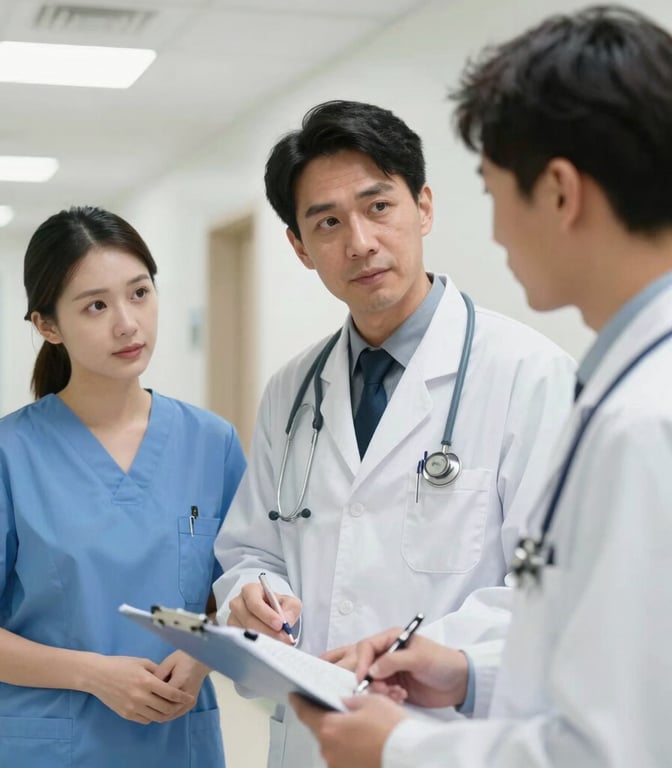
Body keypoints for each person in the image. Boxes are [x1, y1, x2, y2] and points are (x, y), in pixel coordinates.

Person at [290, 6, 672, 766]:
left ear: (560, 193)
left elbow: (615, 749)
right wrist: (467, 674)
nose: (494, 231)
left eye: (494, 192)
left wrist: (398, 748)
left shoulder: (643, 420)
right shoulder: (628, 391)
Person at [213, 99, 575, 767]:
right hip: (310, 739)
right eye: (327, 222)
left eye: (378, 207)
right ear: (299, 246)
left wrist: (428, 655)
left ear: (424, 208)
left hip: (441, 738)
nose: (360, 242)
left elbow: (552, 589)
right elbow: (250, 551)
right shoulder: (291, 391)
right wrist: (247, 598)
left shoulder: (530, 375)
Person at [0, 206, 246, 768]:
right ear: (48, 325)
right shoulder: (3, 455)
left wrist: (200, 658)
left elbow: (234, 596)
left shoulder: (211, 443)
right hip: (49, 745)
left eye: (139, 293)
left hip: (177, 742)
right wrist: (95, 675)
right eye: (96, 305)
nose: (126, 323)